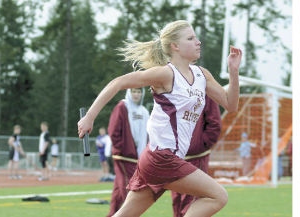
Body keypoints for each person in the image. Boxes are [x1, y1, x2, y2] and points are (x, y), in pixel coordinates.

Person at [78, 20, 242, 216]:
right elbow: (118, 82)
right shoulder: (166, 74)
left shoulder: (201, 75)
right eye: (190, 38)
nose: (198, 42)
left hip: (159, 158)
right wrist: (89, 116)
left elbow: (230, 105)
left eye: (196, 37)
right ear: (175, 46)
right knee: (218, 196)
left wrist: (233, 71)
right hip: (161, 158)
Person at [171, 95, 221, 217]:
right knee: (177, 200)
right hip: (174, 157)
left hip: (196, 157)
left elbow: (214, 123)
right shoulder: (174, 88)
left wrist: (200, 145)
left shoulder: (205, 92)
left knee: (192, 201)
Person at [106, 88, 150, 216]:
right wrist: (121, 148)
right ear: (129, 93)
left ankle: (113, 214)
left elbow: (148, 135)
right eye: (134, 91)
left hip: (137, 156)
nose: (136, 94)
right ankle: (129, 213)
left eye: (139, 92)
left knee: (118, 190)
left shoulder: (144, 111)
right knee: (129, 187)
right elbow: (113, 130)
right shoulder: (122, 106)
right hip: (124, 156)